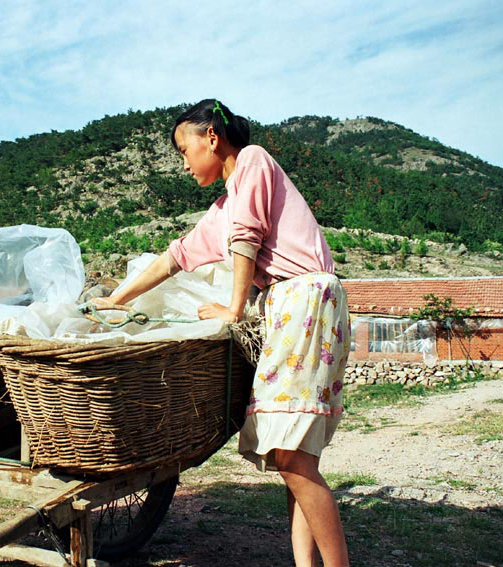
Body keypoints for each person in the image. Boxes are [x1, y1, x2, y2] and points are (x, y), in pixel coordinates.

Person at [99, 99, 351, 567]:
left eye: (184, 148)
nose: (184, 161)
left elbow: (247, 239)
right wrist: (116, 300)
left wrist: (233, 308)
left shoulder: (253, 161)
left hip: (303, 301)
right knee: (293, 456)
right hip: (292, 306)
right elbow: (174, 257)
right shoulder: (225, 206)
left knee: (292, 458)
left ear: (211, 137)